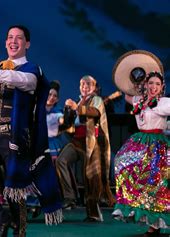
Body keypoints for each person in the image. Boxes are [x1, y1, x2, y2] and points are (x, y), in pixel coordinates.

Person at [0, 25, 62, 237]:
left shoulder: (31, 69)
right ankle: (1, 219)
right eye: (10, 37)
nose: (13, 41)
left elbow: (24, 82)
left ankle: (20, 232)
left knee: (14, 188)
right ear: (5, 42)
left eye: (19, 38)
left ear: (27, 44)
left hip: (17, 136)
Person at [112, 71, 169, 236]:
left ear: (162, 87)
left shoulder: (165, 102)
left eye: (157, 84)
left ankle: (154, 227)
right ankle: (130, 206)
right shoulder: (139, 100)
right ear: (146, 85)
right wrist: (134, 75)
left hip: (157, 144)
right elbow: (127, 95)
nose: (154, 87)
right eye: (151, 83)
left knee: (156, 184)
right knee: (122, 163)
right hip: (140, 142)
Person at [55, 75, 114, 222]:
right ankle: (70, 197)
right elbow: (68, 125)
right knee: (61, 160)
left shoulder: (97, 100)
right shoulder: (77, 101)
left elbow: (95, 112)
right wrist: (67, 111)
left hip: (91, 143)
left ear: (94, 87)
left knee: (91, 177)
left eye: (88, 85)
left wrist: (77, 108)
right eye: (82, 85)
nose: (85, 87)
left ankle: (93, 213)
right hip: (76, 142)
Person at [46, 80, 70, 161]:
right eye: (49, 94)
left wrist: (67, 116)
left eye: (55, 96)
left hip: (53, 147)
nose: (52, 97)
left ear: (57, 99)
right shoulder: (37, 110)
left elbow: (62, 121)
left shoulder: (57, 112)